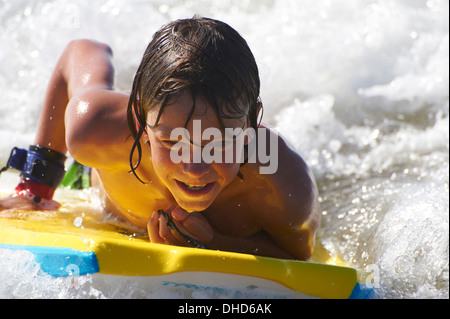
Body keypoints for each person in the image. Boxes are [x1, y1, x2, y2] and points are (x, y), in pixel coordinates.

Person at [0, 17, 321, 260]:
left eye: (219, 144)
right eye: (171, 143)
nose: (194, 169)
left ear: (252, 126)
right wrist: (36, 187)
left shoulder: (282, 182)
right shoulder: (96, 128)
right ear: (139, 120)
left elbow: (300, 258)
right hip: (94, 177)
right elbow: (79, 52)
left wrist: (212, 244)